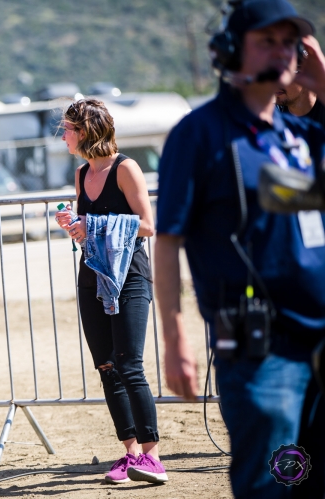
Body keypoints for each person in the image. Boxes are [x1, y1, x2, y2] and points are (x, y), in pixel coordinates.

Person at [155, 1, 325, 497]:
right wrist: (175, 338)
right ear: (230, 51)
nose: (282, 52)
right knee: (275, 483)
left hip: (316, 340)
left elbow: (300, 212)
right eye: (266, 41)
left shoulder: (290, 137)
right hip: (260, 351)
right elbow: (169, 241)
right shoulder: (200, 135)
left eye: (289, 43)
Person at [54, 99, 164, 485]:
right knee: (107, 367)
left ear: (84, 131)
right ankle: (130, 453)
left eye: (67, 129)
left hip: (130, 276)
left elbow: (148, 226)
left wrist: (94, 224)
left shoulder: (126, 168)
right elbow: (88, 229)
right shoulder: (82, 173)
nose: (63, 135)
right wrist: (75, 225)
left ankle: (152, 456)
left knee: (129, 364)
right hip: (92, 276)